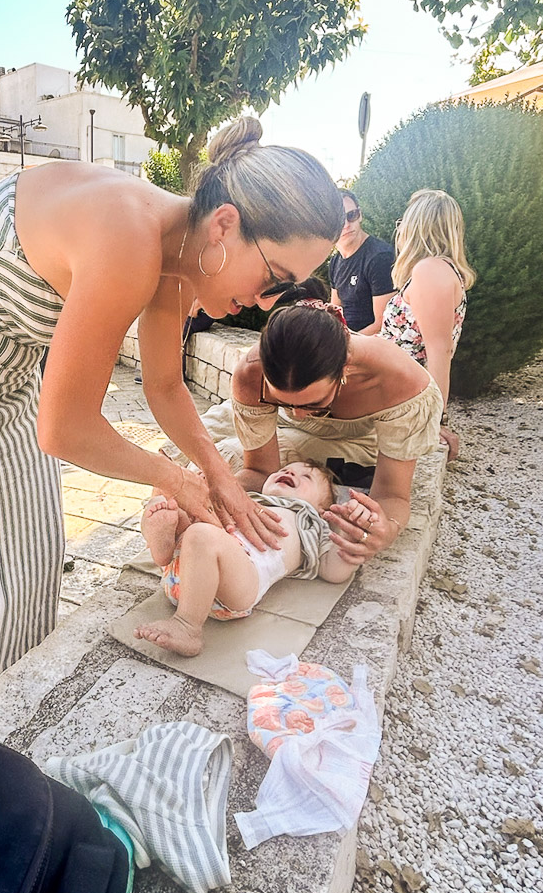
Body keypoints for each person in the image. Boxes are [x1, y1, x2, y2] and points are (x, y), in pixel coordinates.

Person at [0, 116, 345, 724]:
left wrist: (218, 474)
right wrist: (176, 479)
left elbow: (165, 385)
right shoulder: (131, 239)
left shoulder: (181, 253)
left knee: (34, 556)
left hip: (3, 369)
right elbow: (64, 429)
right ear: (225, 224)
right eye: (274, 277)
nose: (264, 301)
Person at [198, 300, 442, 567]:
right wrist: (212, 495)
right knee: (199, 458)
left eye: (312, 404)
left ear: (345, 369)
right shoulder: (250, 373)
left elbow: (392, 494)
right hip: (275, 421)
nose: (298, 413)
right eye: (284, 401)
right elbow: (260, 469)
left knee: (228, 454)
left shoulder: (401, 382)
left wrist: (386, 528)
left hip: (353, 439)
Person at [134, 460, 356, 657]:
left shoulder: (310, 522)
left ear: (321, 508)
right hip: (191, 574)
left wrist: (351, 533)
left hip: (237, 583)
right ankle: (166, 536)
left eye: (306, 476)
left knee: (201, 534)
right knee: (172, 512)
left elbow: (333, 570)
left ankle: (187, 625)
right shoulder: (247, 499)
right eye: (285, 469)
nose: (291, 473)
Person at [379, 189, 473, 460]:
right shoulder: (438, 269)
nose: (401, 228)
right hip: (396, 388)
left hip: (397, 393)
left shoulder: (431, 270)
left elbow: (439, 350)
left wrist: (437, 420)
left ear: (417, 226)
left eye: (404, 220)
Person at [328, 190, 395, 333]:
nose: (346, 225)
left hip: (372, 348)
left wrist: (341, 348)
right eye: (339, 220)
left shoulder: (380, 258)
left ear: (360, 215)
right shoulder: (335, 262)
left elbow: (383, 325)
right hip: (346, 341)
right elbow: (334, 314)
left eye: (351, 215)